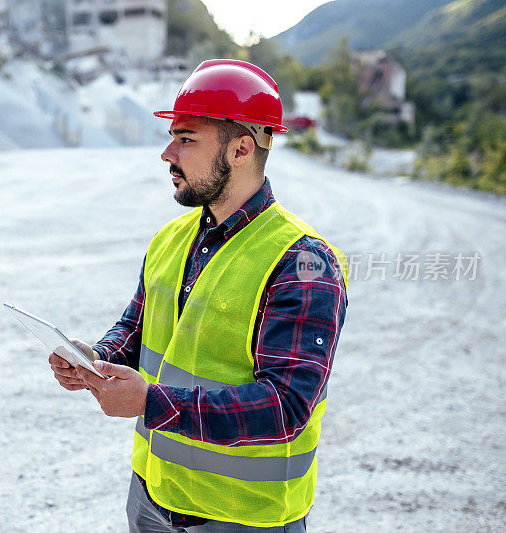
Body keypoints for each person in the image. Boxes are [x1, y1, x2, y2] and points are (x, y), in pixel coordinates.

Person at [49, 59, 349, 532]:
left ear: (240, 150)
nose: (168, 153)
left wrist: (149, 402)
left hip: (244, 517)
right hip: (153, 496)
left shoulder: (302, 262)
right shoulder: (170, 238)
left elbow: (286, 404)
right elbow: (136, 326)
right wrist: (93, 359)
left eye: (186, 138)